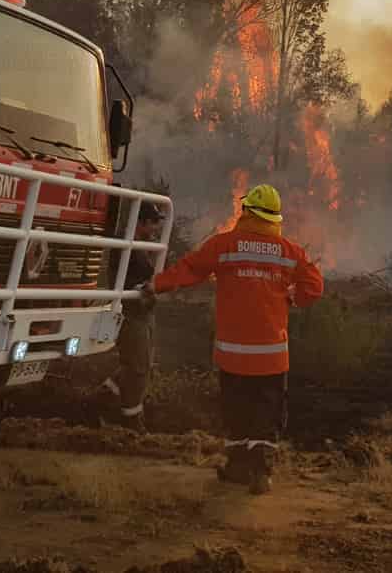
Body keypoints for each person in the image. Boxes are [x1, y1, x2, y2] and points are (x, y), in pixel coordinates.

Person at [141, 184, 323, 494]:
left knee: (236, 411)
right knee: (267, 413)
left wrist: (155, 285)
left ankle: (238, 468)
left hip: (233, 355)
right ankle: (261, 473)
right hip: (271, 357)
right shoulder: (290, 251)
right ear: (275, 216)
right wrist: (293, 299)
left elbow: (189, 270)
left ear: (248, 212)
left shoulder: (224, 245)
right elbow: (314, 287)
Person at [99, 199, 166, 432]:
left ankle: (102, 399)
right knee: (138, 366)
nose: (157, 229)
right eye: (154, 223)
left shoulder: (141, 245)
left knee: (138, 364)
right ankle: (131, 420)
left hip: (142, 311)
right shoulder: (128, 245)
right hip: (131, 313)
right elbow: (132, 279)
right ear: (143, 222)